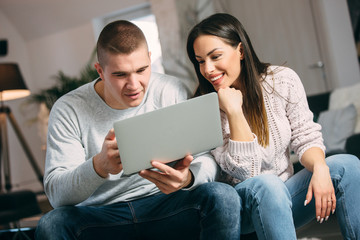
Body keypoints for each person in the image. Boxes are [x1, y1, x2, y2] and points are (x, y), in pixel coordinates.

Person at [35, 20, 241, 240]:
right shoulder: (69, 109)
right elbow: (57, 195)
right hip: (101, 216)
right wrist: (99, 166)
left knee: (223, 196)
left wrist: (188, 178)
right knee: (52, 224)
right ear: (100, 71)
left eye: (142, 70)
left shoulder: (170, 90)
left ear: (150, 60)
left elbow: (206, 158)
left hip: (166, 204)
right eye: (120, 75)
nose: (134, 85)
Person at [187, 13, 360, 240]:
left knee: (347, 164)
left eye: (215, 56)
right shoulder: (203, 107)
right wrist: (234, 111)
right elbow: (246, 173)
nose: (208, 69)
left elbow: (306, 137)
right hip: (242, 209)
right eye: (200, 61)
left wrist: (319, 168)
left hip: (286, 194)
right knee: (267, 184)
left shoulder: (282, 80)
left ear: (240, 51)